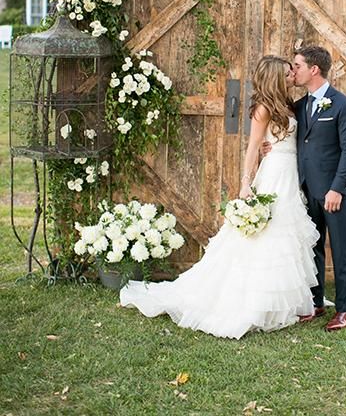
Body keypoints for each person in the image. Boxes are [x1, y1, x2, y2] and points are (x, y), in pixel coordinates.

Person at [120, 55, 319, 339]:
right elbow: (252, 148)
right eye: (287, 73)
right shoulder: (263, 109)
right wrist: (246, 184)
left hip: (289, 172)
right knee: (266, 237)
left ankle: (285, 303)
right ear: (276, 77)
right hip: (273, 174)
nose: (292, 76)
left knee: (286, 236)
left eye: (292, 71)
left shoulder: (288, 105)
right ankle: (256, 303)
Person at [264, 46, 346, 331]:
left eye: (297, 66)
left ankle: (344, 309)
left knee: (342, 250)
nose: (293, 71)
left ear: (314, 69)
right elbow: (291, 138)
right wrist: (269, 145)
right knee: (313, 249)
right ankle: (315, 303)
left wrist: (337, 189)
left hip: (334, 192)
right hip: (306, 190)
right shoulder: (299, 106)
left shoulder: (344, 106)